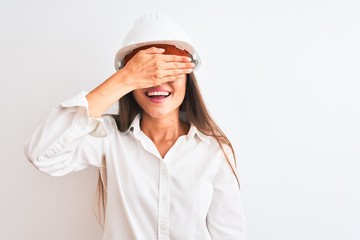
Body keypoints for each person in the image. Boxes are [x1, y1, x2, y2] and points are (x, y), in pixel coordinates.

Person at [24, 13, 247, 240]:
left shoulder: (214, 150)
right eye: (147, 72)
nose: (158, 81)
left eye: (169, 69)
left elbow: (229, 234)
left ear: (188, 77)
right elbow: (41, 154)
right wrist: (125, 78)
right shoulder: (108, 138)